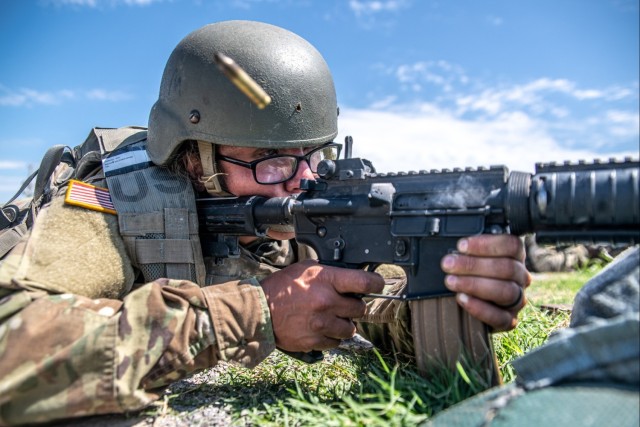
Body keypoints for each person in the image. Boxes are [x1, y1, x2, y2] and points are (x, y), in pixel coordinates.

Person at [0, 20, 530, 426]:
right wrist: (253, 313)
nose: (299, 180)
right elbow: (10, 350)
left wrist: (444, 293)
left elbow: (368, 298)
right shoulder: (114, 201)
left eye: (313, 155)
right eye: (271, 159)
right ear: (194, 157)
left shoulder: (297, 201)